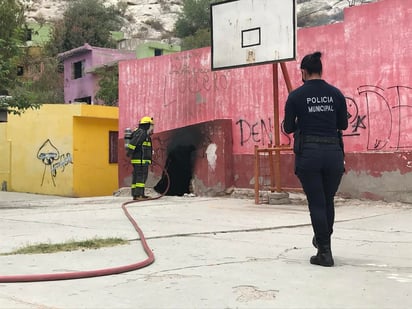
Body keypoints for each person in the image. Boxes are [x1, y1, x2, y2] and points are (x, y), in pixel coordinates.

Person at [283, 51, 348, 267]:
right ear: (320, 70)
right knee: (327, 200)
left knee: (317, 203)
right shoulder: (336, 94)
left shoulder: (296, 96)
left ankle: (324, 251)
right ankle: (323, 240)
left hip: (309, 153)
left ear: (303, 71)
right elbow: (344, 125)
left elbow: (289, 127)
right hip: (333, 154)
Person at [126, 116, 154, 200]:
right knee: (140, 177)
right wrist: (130, 152)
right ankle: (138, 195)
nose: (152, 128)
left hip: (141, 160)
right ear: (147, 125)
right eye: (151, 125)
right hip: (140, 160)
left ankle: (137, 194)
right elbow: (134, 142)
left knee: (137, 177)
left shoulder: (142, 133)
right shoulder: (142, 133)